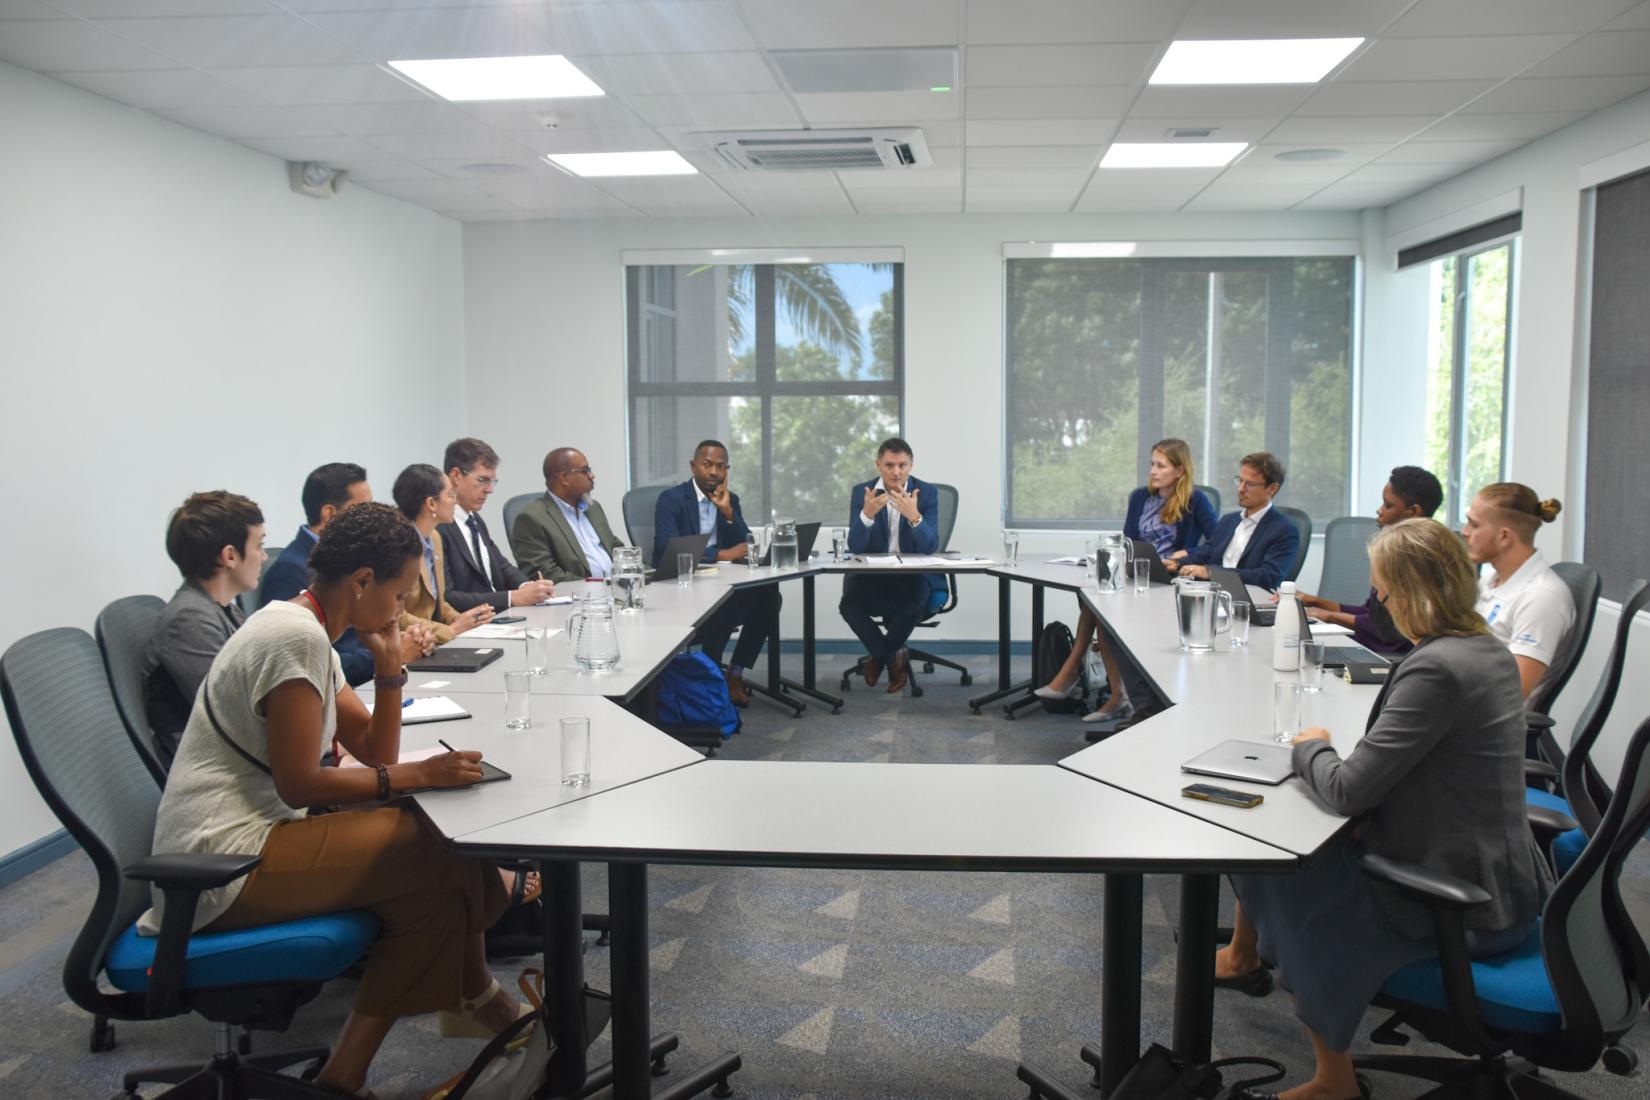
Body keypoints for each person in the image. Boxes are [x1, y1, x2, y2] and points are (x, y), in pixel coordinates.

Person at [141, 503, 533, 1098]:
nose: (403, 609)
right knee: (429, 842)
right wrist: (418, 776)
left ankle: (355, 1070)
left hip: (260, 836)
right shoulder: (292, 637)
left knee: (430, 877)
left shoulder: (309, 631)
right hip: (218, 862)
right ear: (362, 583)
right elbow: (302, 784)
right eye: (400, 594)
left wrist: (390, 664)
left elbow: (375, 754)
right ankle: (476, 999)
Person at [1218, 518, 1547, 1100]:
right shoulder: (1485, 650)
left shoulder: (1437, 668)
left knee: (1285, 869)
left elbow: (1347, 791)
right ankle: (1247, 960)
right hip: (1505, 882)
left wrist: (1309, 746)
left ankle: (1333, 1082)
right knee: (1297, 851)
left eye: (1384, 592)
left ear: (1413, 592)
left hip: (1455, 905)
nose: (1381, 603)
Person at [1033, 439, 1217, 727]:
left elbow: (1218, 541)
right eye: (1152, 464)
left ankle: (1082, 680)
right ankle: (1114, 693)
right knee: (1097, 603)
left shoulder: (1196, 501)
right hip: (1136, 573)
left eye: (1161, 465)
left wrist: (1185, 556)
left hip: (1169, 578)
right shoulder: (1141, 497)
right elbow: (1129, 540)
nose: (1153, 471)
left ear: (1180, 470)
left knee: (1098, 606)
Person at [260, 463, 432, 685]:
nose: (371, 517)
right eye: (362, 509)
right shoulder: (291, 573)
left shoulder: (352, 567)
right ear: (330, 514)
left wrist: (395, 650)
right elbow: (322, 662)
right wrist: (385, 658)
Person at [143, 491, 266, 767]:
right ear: (230, 556)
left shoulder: (222, 608)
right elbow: (236, 714)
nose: (264, 557)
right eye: (259, 545)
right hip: (217, 769)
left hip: (244, 757)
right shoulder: (189, 620)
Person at [653, 440, 779, 705]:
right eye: (707, 465)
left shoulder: (731, 499)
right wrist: (721, 554)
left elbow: (746, 544)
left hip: (720, 581)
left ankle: (735, 673)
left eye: (720, 467)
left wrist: (729, 512)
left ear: (727, 470)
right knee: (720, 608)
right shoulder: (672, 499)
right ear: (693, 466)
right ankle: (711, 679)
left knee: (769, 596)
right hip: (683, 584)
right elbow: (667, 548)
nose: (713, 472)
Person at [1297, 465, 1444, 657]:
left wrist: (1329, 615)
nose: (1380, 510)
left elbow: (1391, 629)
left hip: (1388, 656)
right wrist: (1314, 601)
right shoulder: (1394, 550)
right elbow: (1371, 613)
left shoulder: (1419, 557)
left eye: (1388, 505)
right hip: (1367, 645)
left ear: (1413, 511)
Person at [840, 438, 942, 695]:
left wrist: (914, 517)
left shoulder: (926, 493)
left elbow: (930, 546)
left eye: (902, 465)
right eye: (889, 465)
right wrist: (867, 515)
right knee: (849, 605)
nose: (896, 472)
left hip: (912, 575)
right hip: (872, 575)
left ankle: (878, 655)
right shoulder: (862, 492)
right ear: (878, 465)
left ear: (911, 465)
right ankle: (891, 654)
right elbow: (856, 546)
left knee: (913, 604)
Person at [1462, 482, 1575, 699]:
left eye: (1474, 525)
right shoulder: (1489, 581)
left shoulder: (1542, 597)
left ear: (1505, 537)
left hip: (1490, 724)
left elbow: (1513, 693)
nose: (1465, 532)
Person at [438, 437, 555, 613]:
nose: (489, 489)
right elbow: (449, 597)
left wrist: (528, 586)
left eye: (491, 481)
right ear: (456, 476)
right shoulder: (439, 527)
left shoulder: (474, 520)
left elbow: (501, 566)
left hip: (499, 617)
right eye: (482, 480)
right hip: (472, 624)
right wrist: (512, 598)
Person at [392, 464, 493, 645]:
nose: (454, 501)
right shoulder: (397, 545)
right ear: (431, 503)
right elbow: (395, 616)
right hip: (410, 645)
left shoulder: (435, 537)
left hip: (434, 642)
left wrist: (462, 619)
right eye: (450, 495)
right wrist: (450, 630)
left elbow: (438, 601)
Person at [1171, 451, 1300, 590]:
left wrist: (1211, 573)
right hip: (1211, 592)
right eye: (1240, 480)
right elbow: (1205, 554)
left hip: (1247, 599)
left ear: (1272, 488)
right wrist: (1176, 563)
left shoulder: (1284, 530)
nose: (1240, 489)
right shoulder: (1228, 521)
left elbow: (1268, 577)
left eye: (1249, 484)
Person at [510, 447, 625, 585]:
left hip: (616, 591)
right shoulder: (531, 518)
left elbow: (615, 547)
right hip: (577, 599)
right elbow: (544, 574)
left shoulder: (593, 508)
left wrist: (641, 574)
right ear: (564, 478)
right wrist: (602, 585)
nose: (592, 476)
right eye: (585, 471)